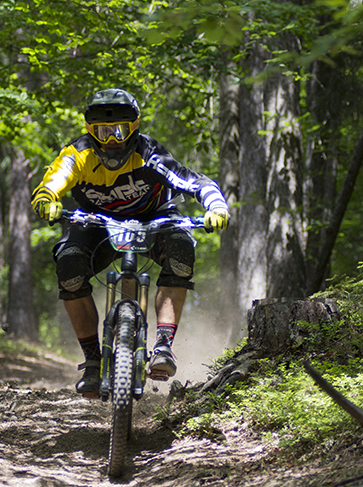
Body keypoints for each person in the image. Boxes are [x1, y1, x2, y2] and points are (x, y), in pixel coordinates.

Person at [31, 88, 230, 396]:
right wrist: (47, 201)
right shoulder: (77, 154)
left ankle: (163, 347)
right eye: (103, 131)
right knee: (69, 266)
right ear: (90, 130)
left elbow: (194, 181)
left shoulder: (149, 153)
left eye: (120, 130)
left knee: (180, 249)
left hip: (154, 217)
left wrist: (216, 207)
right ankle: (92, 361)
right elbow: (51, 183)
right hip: (96, 223)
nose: (112, 139)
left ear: (134, 127)